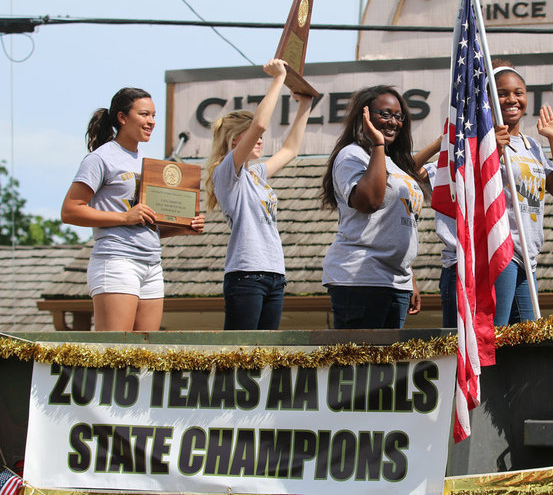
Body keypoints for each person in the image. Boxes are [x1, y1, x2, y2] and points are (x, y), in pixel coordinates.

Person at [61, 87, 205, 332]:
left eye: (154, 115)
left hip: (151, 263)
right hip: (116, 261)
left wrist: (182, 226)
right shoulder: (100, 158)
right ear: (122, 117)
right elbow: (70, 211)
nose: (151, 122)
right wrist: (124, 216)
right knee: (115, 352)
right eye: (144, 114)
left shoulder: (148, 162)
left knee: (145, 356)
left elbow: (147, 223)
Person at [204, 58, 312, 330]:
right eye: (250, 135)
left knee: (266, 356)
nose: (260, 139)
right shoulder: (227, 171)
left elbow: (290, 151)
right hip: (246, 274)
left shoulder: (256, 174)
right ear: (235, 139)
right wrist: (278, 78)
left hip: (274, 273)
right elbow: (260, 125)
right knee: (242, 355)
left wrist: (305, 105)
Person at [321, 85, 424, 329]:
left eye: (399, 116)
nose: (393, 122)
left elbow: (392, 224)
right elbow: (369, 202)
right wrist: (377, 144)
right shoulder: (352, 155)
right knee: (360, 366)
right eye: (384, 114)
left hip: (396, 282)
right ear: (364, 116)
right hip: (360, 279)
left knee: (388, 368)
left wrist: (410, 278)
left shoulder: (393, 163)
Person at [492, 60, 553, 326]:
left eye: (518, 93)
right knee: (494, 338)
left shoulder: (532, 146)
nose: (511, 99)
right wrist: (488, 149)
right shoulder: (482, 140)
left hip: (528, 256)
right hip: (499, 253)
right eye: (502, 93)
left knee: (528, 339)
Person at [414, 136, 458, 328]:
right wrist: (441, 142)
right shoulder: (451, 161)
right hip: (459, 265)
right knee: (458, 345)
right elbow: (408, 171)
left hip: (505, 263)